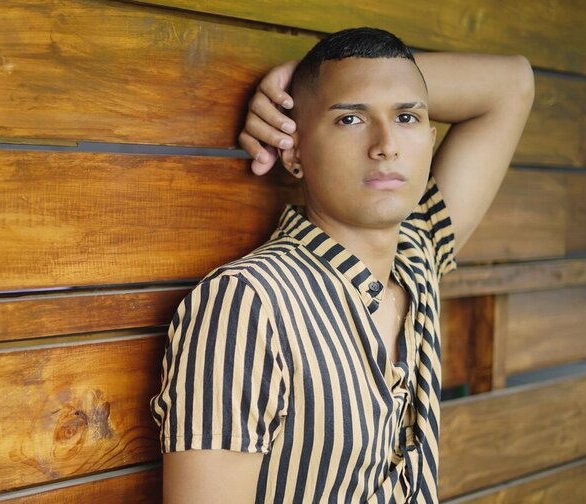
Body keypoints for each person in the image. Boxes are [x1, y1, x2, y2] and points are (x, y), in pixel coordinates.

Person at [150, 27, 534, 503]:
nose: (386, 144)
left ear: (430, 138)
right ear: (294, 149)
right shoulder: (249, 302)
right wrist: (311, 89)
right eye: (350, 118)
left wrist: (304, 77)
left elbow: (512, 85)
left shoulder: (417, 257)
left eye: (407, 117)